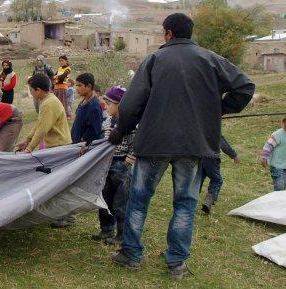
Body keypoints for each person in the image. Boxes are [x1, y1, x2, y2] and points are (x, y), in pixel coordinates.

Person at [108, 13, 255, 279]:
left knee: (139, 200)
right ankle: (176, 263)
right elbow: (245, 86)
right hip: (193, 145)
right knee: (185, 204)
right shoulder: (211, 59)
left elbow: (131, 102)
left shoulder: (155, 59)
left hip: (154, 143)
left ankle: (130, 254)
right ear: (189, 33)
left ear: (168, 33)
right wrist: (218, 109)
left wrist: (121, 129)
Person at [89, 86, 135, 245]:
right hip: (107, 165)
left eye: (109, 103)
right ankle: (107, 228)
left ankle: (121, 234)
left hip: (121, 166)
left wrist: (127, 163)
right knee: (104, 197)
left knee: (120, 202)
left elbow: (135, 145)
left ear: (120, 104)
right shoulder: (108, 121)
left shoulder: (130, 124)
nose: (106, 106)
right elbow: (104, 142)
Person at [14, 73, 71, 153]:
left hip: (59, 147)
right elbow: (39, 123)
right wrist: (27, 140)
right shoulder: (47, 100)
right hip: (56, 146)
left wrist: (30, 148)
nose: (30, 93)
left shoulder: (49, 104)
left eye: (31, 90)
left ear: (38, 90)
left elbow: (42, 129)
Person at [199, 135, 239, 214]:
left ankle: (188, 198)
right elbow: (223, 144)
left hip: (198, 157)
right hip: (211, 158)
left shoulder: (198, 128)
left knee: (198, 179)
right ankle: (208, 201)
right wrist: (233, 155)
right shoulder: (214, 130)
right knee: (216, 180)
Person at [70, 74, 104, 146]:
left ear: (89, 86)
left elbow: (96, 131)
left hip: (83, 148)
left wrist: (86, 143)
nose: (77, 88)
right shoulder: (83, 101)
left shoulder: (94, 107)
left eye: (80, 85)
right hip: (75, 144)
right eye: (76, 85)